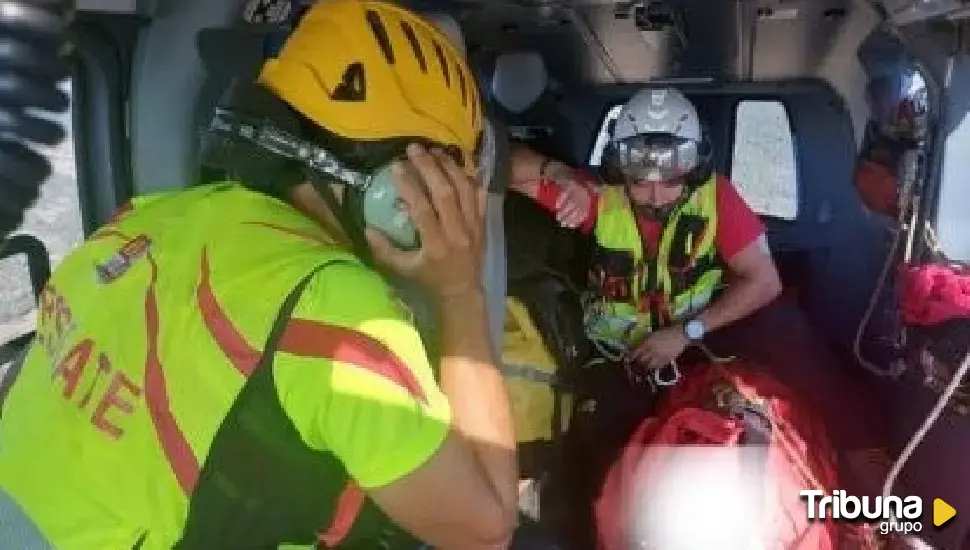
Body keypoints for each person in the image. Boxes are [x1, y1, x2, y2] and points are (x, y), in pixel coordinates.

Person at [0, 2, 519, 549]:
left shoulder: (155, 217)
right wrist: (460, 288)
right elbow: (486, 529)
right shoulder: (341, 313)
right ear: (396, 193)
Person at [508, 87, 783, 373]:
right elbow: (499, 163)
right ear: (620, 171)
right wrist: (561, 175)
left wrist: (686, 332)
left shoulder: (716, 197)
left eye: (671, 180)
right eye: (640, 182)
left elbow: (765, 282)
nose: (656, 197)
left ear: (694, 171)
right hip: (613, 356)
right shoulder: (595, 194)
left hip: (694, 348)